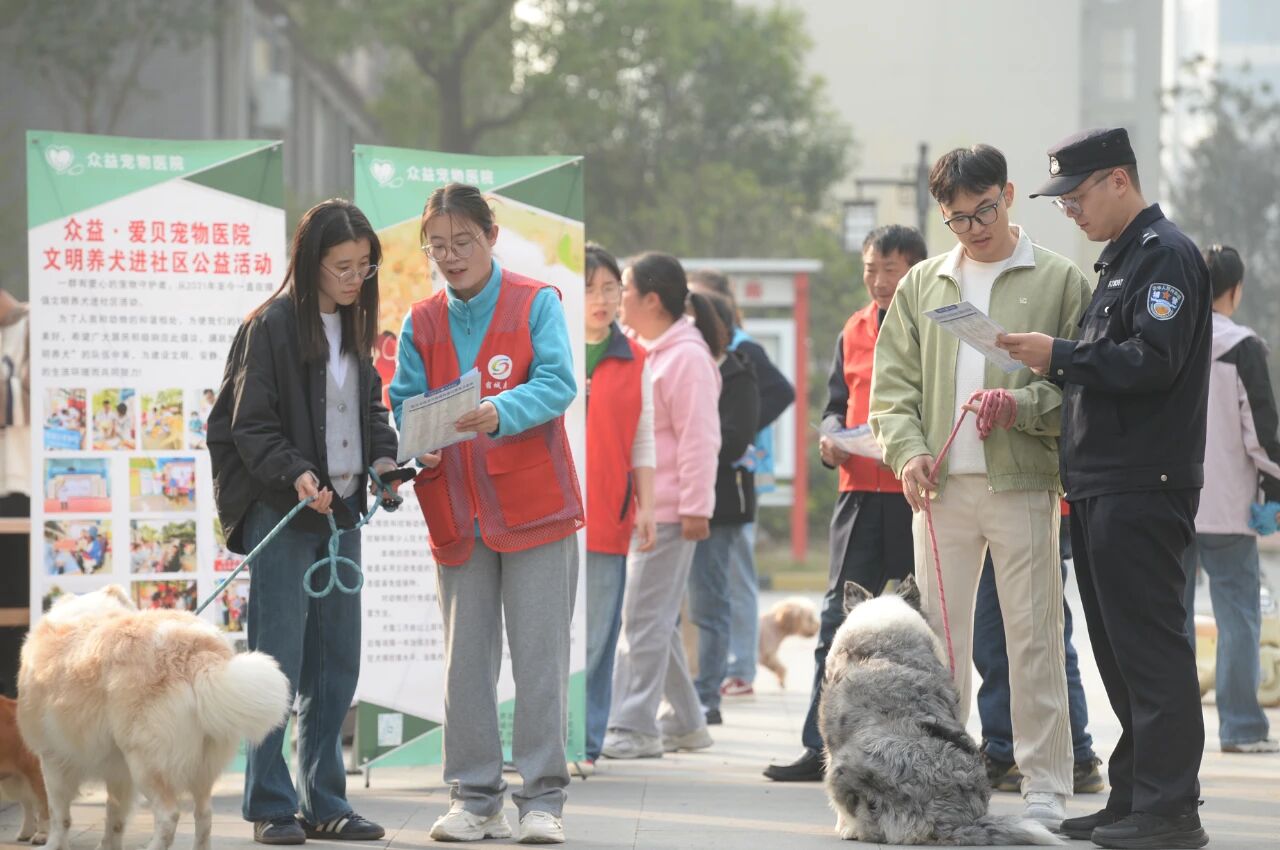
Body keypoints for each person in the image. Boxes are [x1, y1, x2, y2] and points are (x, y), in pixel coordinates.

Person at [1001, 126, 1213, 848]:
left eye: (1078, 194)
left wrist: (1059, 355)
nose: (1070, 211)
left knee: (1152, 653)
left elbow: (1150, 361)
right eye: (1060, 200)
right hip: (1100, 483)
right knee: (1120, 656)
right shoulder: (1120, 262)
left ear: (1119, 180)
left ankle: (1171, 811)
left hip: (1141, 485)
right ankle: (1134, 799)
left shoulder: (1166, 259)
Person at [870, 145, 1091, 831]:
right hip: (936, 492)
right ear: (942, 215)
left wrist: (1021, 407)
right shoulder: (923, 285)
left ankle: (1047, 787)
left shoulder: (1058, 281)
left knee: (1034, 637)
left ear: (1010, 194)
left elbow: (1081, 391)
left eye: (984, 210)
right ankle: (940, 781)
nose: (974, 228)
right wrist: (906, 454)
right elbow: (892, 391)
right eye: (958, 218)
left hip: (1023, 484)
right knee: (937, 646)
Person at [389, 183, 582, 845]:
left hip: (535, 509)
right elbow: (403, 403)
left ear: (491, 235)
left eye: (463, 242)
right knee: (465, 663)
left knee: (539, 661)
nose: (451, 256)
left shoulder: (536, 302)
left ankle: (541, 801)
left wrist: (501, 412)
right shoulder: (421, 322)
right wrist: (420, 447)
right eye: (438, 246)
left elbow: (558, 382)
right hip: (458, 511)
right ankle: (475, 797)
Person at [207, 198, 401, 845]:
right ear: (310, 262)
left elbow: (370, 409)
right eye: (343, 266)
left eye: (364, 267)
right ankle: (269, 804)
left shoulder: (355, 326)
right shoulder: (270, 327)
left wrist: (383, 460)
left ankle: (325, 800)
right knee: (277, 660)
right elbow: (248, 424)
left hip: (342, 513)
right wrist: (295, 472)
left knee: (335, 660)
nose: (355, 278)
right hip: (286, 510)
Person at [764, 223, 926, 782]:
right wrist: (831, 439)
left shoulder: (933, 326)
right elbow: (836, 403)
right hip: (858, 495)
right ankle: (820, 747)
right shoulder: (853, 328)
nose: (879, 282)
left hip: (915, 497)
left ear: (916, 272)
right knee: (837, 622)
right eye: (870, 270)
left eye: (892, 270)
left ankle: (915, 745)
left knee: (918, 625)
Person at [602, 252, 721, 760]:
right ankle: (687, 722)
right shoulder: (656, 350)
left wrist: (697, 507)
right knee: (654, 618)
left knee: (642, 620)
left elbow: (700, 439)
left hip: (673, 510)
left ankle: (633, 727)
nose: (615, 299)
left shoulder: (686, 357)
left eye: (622, 289)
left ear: (651, 299)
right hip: (653, 507)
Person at [1180, 244, 1280, 754]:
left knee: (1173, 620)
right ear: (1235, 291)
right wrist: (1275, 488)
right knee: (1238, 616)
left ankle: (1172, 735)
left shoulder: (1176, 339)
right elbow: (1261, 435)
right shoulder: (1242, 347)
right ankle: (1240, 727)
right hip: (1230, 510)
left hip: (1173, 504)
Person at [686, 269, 795, 698]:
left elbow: (781, 392)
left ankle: (740, 665)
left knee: (735, 572)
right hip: (714, 474)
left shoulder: (739, 351)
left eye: (702, 302)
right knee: (713, 577)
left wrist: (740, 425)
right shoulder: (699, 348)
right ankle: (719, 665)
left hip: (739, 474)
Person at [582, 243, 657, 768]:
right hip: (546, 515)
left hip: (608, 512)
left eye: (610, 288)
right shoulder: (549, 350)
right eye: (589, 288)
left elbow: (643, 438)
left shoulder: (635, 357)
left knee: (599, 634)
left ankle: (584, 740)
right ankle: (541, 736)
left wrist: (648, 505)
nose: (601, 298)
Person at [974, 513, 1105, 793]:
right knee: (1037, 634)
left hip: (1027, 501)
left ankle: (1062, 753)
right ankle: (1066, 753)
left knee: (1036, 636)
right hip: (1033, 504)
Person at [686, 291, 759, 725]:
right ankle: (684, 693)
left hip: (722, 504)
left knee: (709, 602)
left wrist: (690, 442)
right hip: (678, 499)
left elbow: (733, 440)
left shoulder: (737, 374)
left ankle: (706, 696)